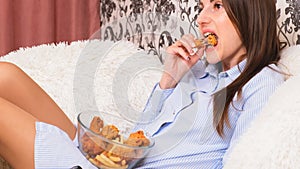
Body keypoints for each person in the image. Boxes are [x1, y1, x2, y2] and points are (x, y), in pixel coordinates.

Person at [0, 0, 284, 168]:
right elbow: (141, 135)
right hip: (108, 159)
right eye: (202, 6)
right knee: (6, 74)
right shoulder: (199, 72)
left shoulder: (263, 83)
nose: (201, 18)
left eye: (218, 5)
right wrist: (169, 80)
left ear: (251, 13)